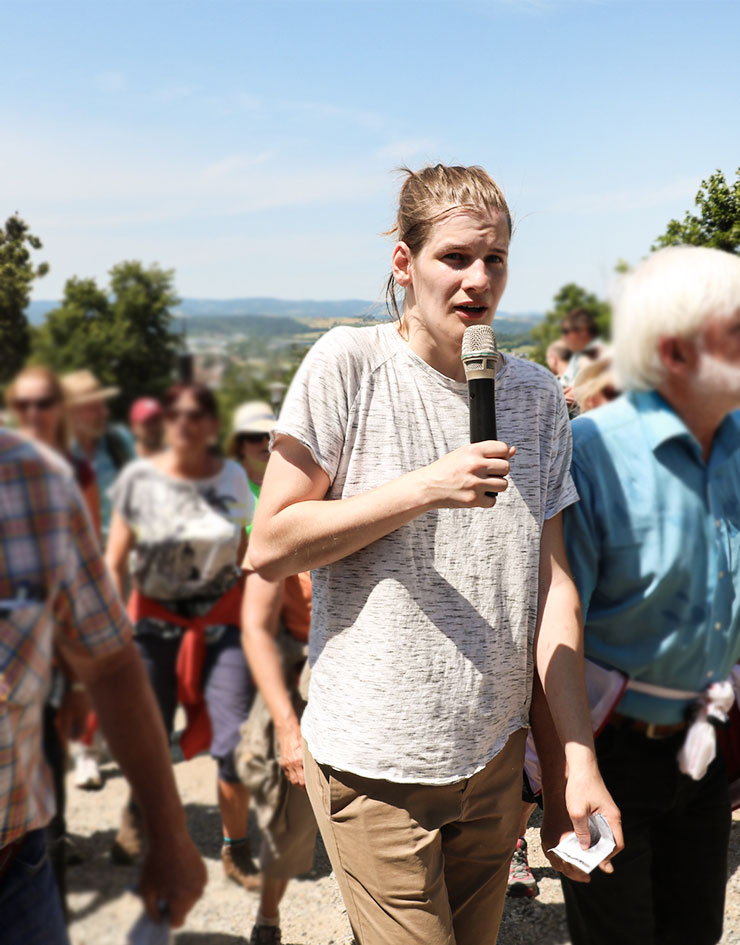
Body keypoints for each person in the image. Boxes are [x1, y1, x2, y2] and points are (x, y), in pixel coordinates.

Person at [249, 163, 621, 945]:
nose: (477, 280)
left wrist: (570, 763)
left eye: (495, 260)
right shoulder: (348, 366)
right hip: (374, 763)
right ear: (405, 264)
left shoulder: (538, 395)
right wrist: (423, 486)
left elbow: (554, 593)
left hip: (492, 761)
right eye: (455, 257)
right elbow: (270, 544)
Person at [544, 245, 740, 945]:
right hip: (611, 753)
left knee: (695, 933)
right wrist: (574, 769)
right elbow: (555, 618)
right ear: (675, 351)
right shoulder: (592, 453)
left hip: (707, 743)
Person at [0, 428, 206, 944]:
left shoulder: (35, 478)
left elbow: (109, 662)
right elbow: (116, 559)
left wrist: (170, 837)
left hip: (13, 864)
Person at [105, 382, 260, 891]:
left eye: (198, 415)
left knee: (234, 739)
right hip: (153, 625)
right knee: (148, 735)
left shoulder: (233, 477)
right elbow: (115, 559)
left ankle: (236, 848)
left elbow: (243, 549)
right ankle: (136, 812)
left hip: (222, 624)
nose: (187, 424)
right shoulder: (140, 480)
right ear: (166, 424)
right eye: (178, 415)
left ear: (213, 426)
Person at [239, 567, 316, 945]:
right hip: (301, 666)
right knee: (287, 820)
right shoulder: (278, 517)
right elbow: (255, 627)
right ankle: (267, 916)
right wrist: (287, 728)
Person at [62, 369, 135, 544]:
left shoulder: (118, 441)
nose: (104, 413)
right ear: (70, 412)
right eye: (94, 408)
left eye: (103, 405)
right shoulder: (56, 457)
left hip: (123, 549)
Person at [228, 401, 277, 533]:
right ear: (240, 444)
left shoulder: (292, 476)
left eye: (270, 434)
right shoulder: (226, 483)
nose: (266, 442)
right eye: (255, 437)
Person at [559, 308, 606, 413]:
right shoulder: (579, 354)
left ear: (583, 331)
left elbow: (572, 394)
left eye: (566, 331)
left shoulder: (594, 354)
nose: (563, 337)